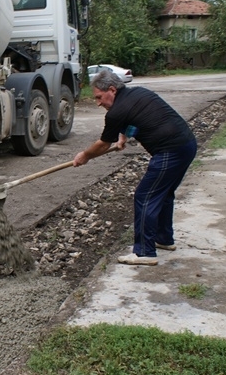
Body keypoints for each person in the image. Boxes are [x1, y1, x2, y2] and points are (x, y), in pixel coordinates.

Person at [72, 69, 197, 266]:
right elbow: (133, 121)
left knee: (145, 196)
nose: (98, 103)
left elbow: (103, 144)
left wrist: (85, 156)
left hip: (169, 151)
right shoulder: (137, 93)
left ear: (111, 90)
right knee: (163, 194)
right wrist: (123, 137)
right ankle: (163, 239)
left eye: (99, 97)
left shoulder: (115, 112)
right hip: (186, 145)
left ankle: (144, 252)